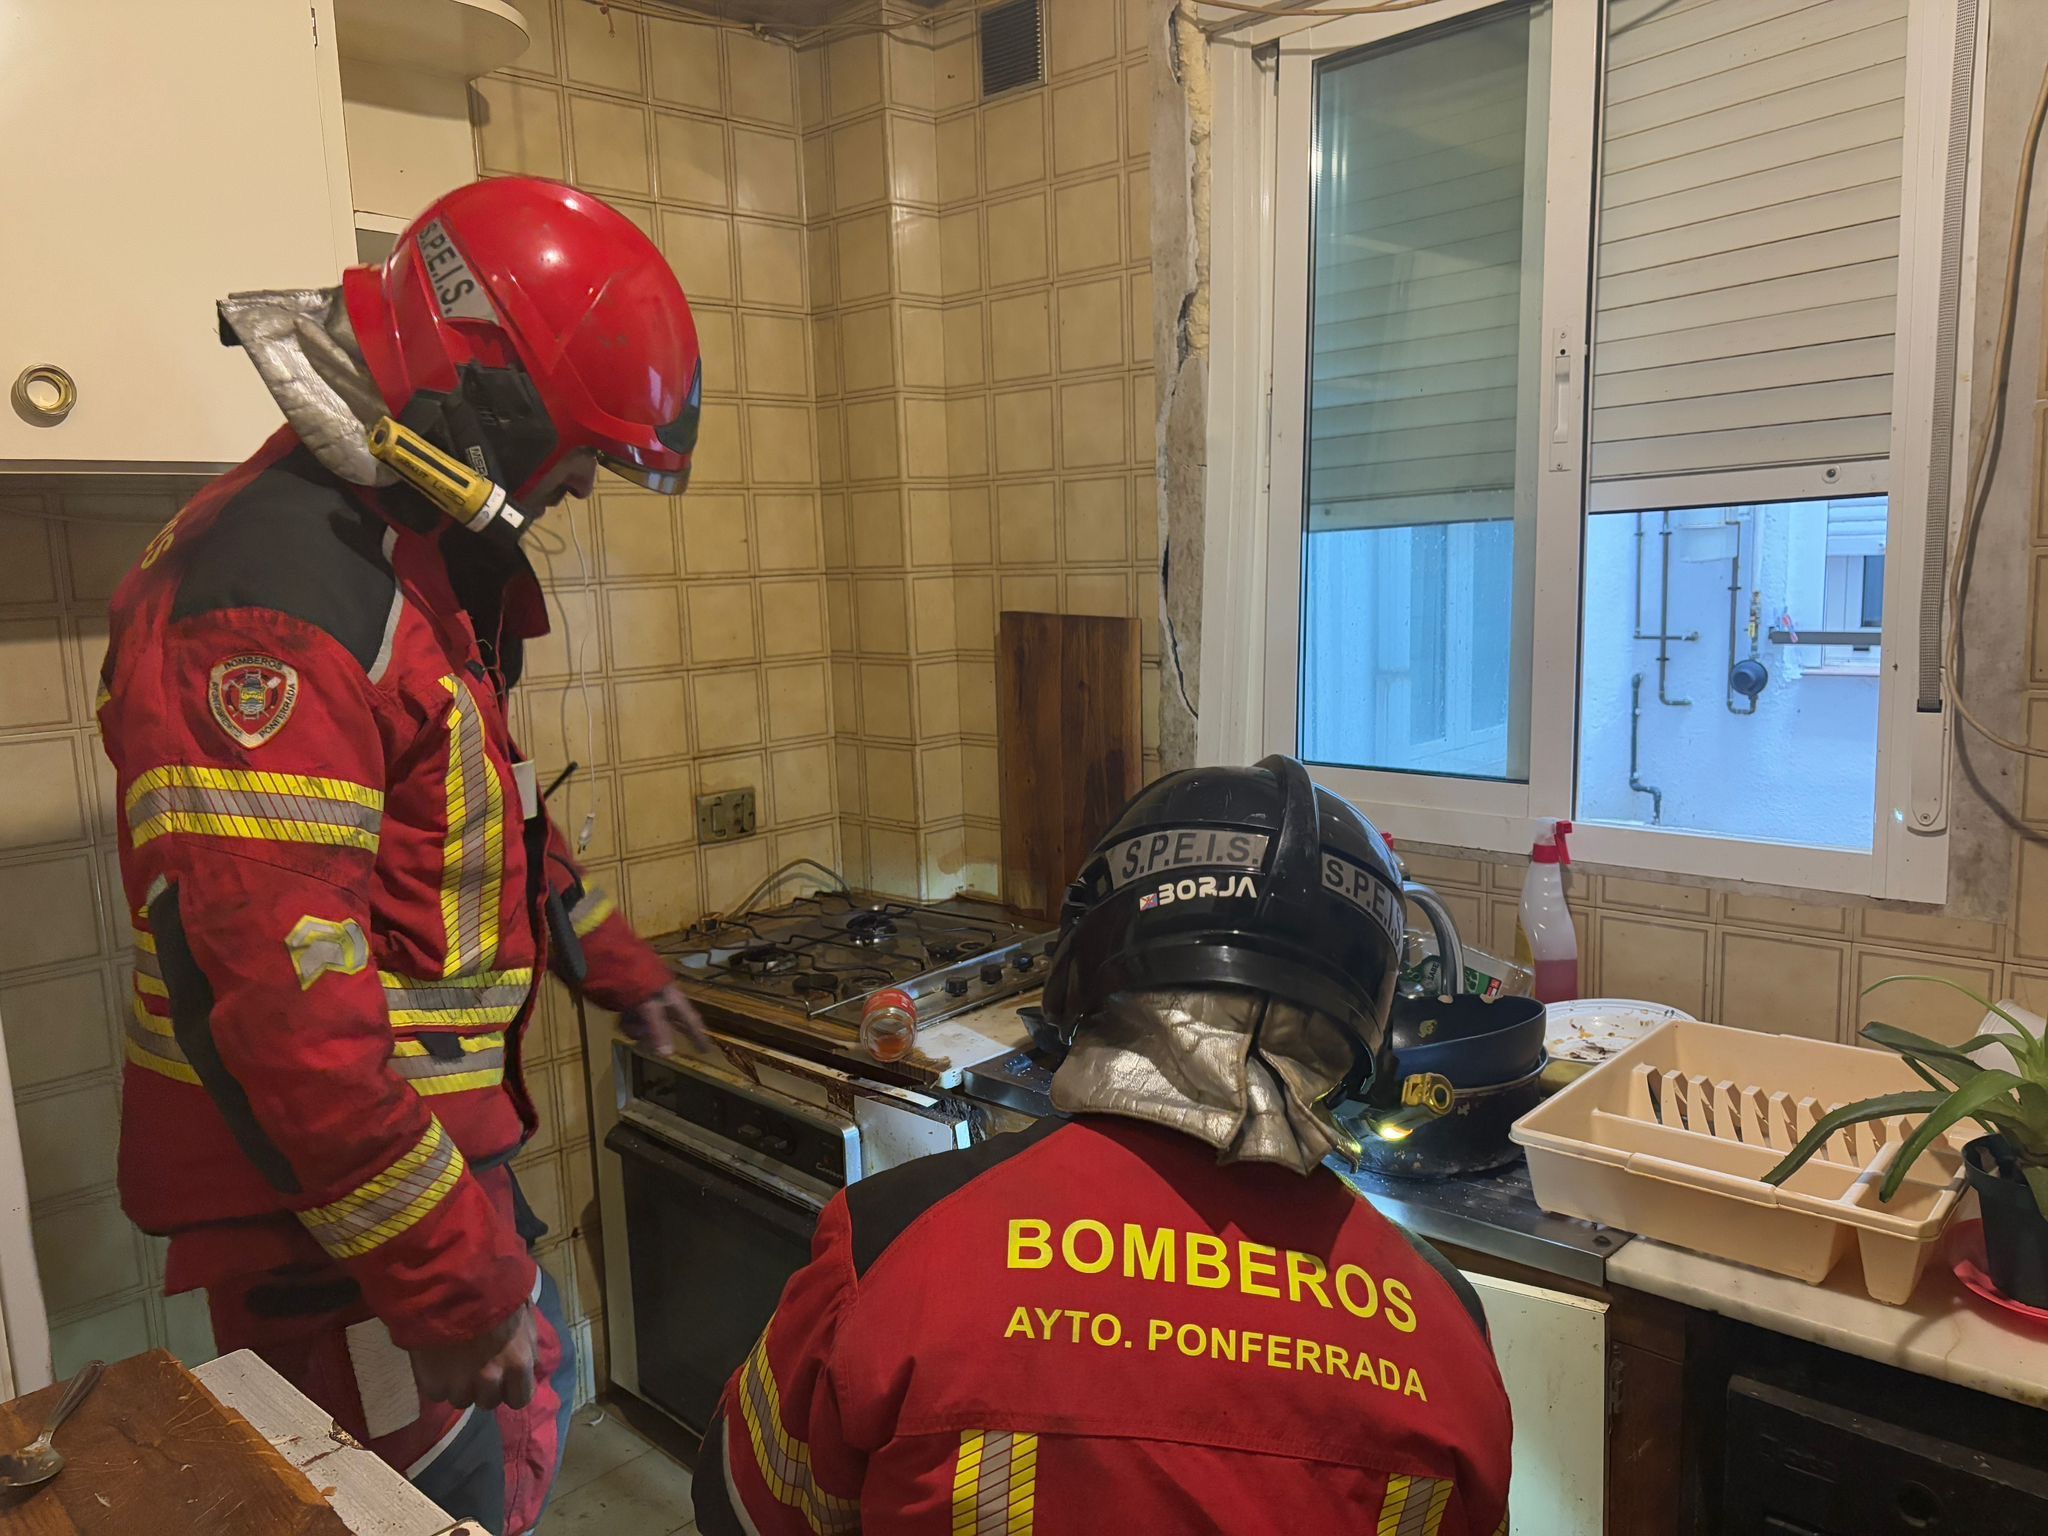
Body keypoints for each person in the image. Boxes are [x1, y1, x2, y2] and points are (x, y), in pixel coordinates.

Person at [98, 176, 711, 1536]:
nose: (562, 496)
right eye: (574, 461)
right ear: (484, 396)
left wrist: (607, 962)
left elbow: (478, 827)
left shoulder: (389, 556)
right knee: (429, 1510)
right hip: (331, 1228)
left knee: (517, 1440)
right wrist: (443, 1281)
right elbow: (280, 1001)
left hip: (415, 1179)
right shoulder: (280, 596)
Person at [694, 756, 1513, 1534]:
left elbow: (742, 1509)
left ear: (1090, 955)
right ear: (1367, 1014)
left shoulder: (889, 1244)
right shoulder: (1447, 1336)